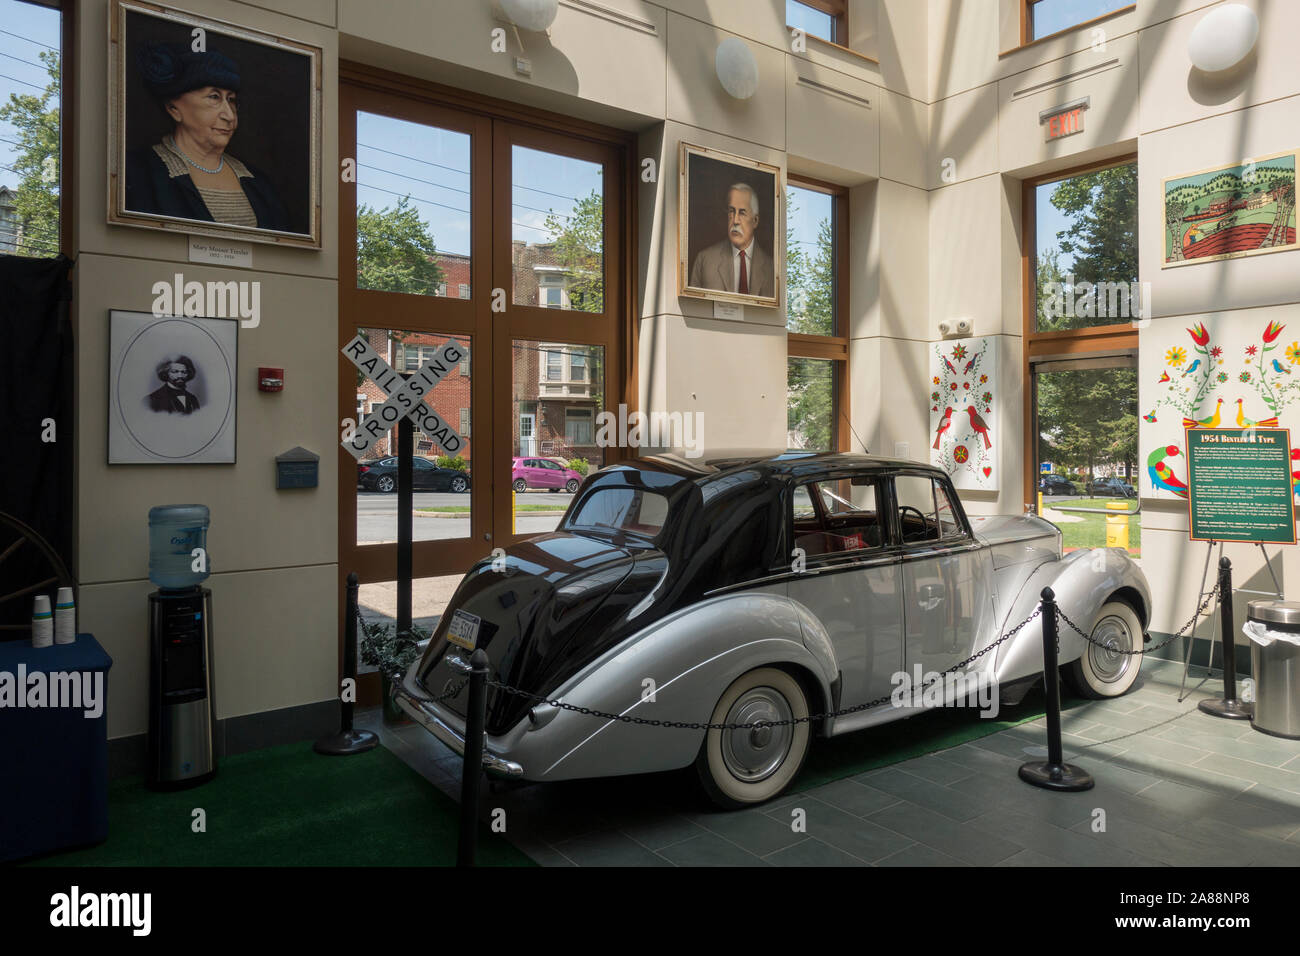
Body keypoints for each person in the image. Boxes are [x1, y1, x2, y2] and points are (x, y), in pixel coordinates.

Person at [125, 43, 291, 231]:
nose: (229, 115)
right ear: (174, 109)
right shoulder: (136, 172)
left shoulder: (259, 183)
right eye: (214, 97)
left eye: (231, 100)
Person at [688, 182, 774, 298]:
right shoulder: (705, 260)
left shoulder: (771, 268)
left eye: (742, 213)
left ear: (755, 221)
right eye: (731, 211)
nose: (735, 220)